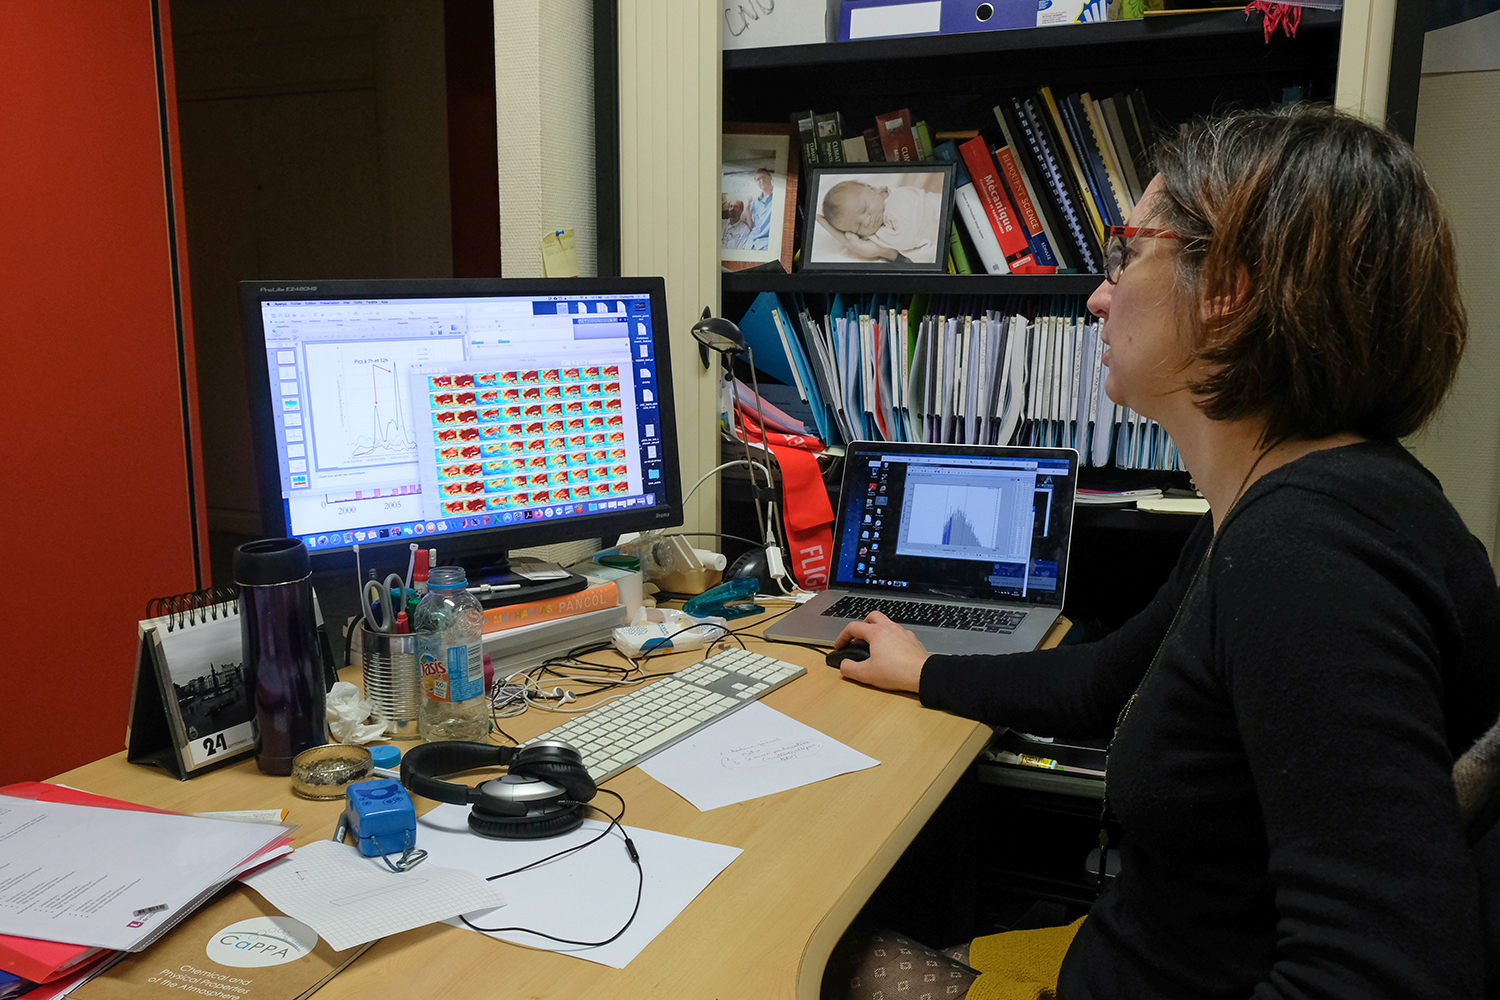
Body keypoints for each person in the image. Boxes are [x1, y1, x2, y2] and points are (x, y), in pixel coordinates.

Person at [825, 103, 1500, 1000]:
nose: (1099, 294)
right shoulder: (1275, 502)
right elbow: (1103, 683)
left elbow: (1381, 974)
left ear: (1229, 285)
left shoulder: (1311, 557)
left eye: (1124, 254)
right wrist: (925, 669)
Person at [818, 174, 943, 263]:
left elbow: (907, 238)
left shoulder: (896, 197)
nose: (867, 221)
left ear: (873, 189)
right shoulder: (883, 228)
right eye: (858, 227)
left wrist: (877, 237)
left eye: (864, 208)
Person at [747, 167, 775, 250]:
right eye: (758, 179)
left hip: (766, 242)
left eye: (764, 177)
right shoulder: (755, 202)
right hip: (751, 242)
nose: (761, 181)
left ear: (770, 177)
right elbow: (752, 226)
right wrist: (748, 210)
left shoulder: (779, 196)